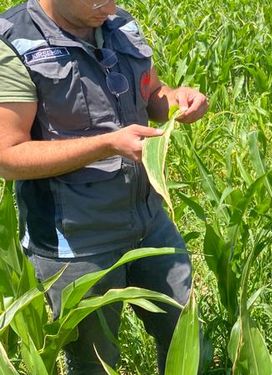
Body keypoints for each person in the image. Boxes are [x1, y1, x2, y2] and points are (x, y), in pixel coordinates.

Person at [0, 0, 208, 373]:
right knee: (94, 362)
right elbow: (8, 158)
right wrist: (106, 145)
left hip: (148, 219)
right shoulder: (14, 42)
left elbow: (153, 92)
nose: (109, 7)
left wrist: (176, 100)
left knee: (187, 338)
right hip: (76, 241)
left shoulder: (117, 21)